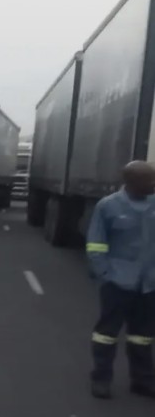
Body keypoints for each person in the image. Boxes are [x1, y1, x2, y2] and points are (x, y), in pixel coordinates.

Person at [86, 160, 155, 399]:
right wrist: (105, 275)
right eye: (150, 180)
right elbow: (96, 244)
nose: (154, 183)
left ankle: (142, 381)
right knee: (106, 334)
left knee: (143, 336)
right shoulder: (109, 206)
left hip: (148, 284)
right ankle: (101, 379)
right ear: (132, 182)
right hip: (118, 282)